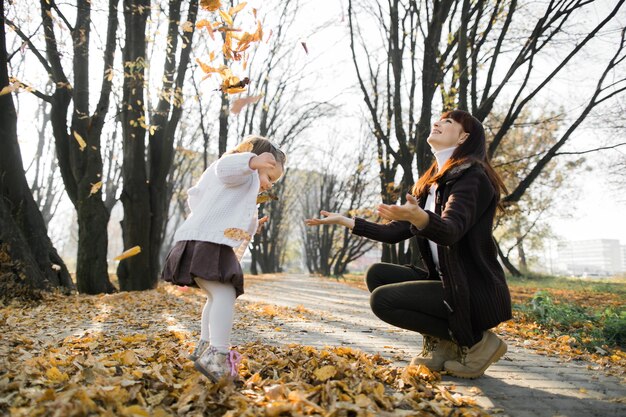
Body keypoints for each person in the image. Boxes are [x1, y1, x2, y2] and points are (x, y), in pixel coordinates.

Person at [305, 110, 511, 379]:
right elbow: (393, 233)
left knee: (383, 301)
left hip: (471, 290)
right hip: (446, 281)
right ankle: (445, 344)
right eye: (437, 118)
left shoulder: (473, 177)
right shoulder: (432, 182)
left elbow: (451, 231)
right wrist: (347, 221)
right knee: (377, 274)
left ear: (463, 137)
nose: (436, 122)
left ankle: (476, 342)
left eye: (448, 122)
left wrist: (421, 217)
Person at [161, 135, 286, 382]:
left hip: (206, 240)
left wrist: (252, 227)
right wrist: (252, 162)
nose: (270, 184)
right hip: (209, 242)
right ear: (257, 160)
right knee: (224, 295)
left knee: (215, 296)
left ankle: (205, 346)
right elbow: (225, 168)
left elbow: (225, 211)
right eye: (270, 177)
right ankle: (217, 354)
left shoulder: (243, 186)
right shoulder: (240, 170)